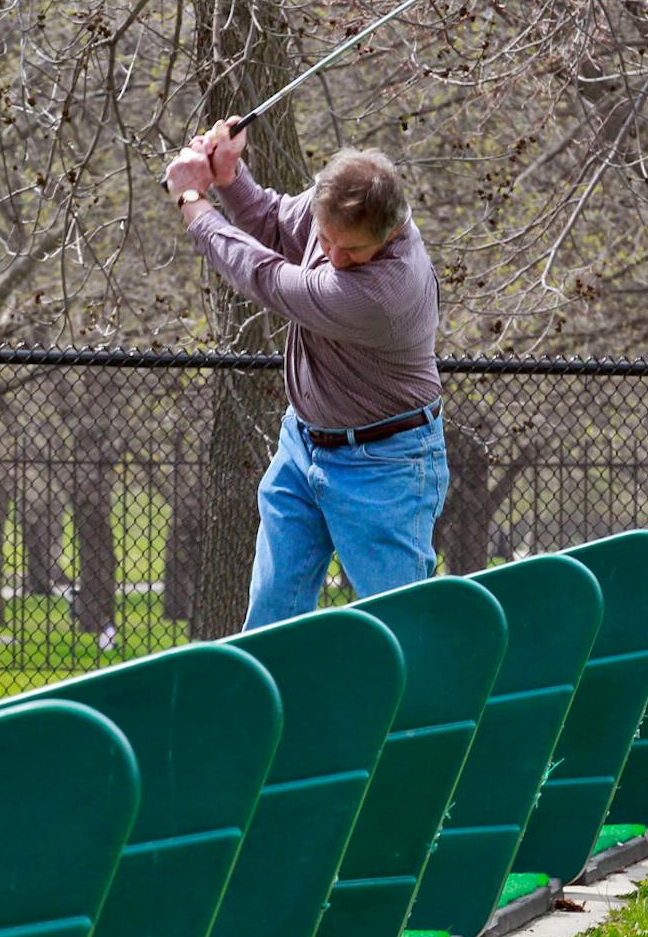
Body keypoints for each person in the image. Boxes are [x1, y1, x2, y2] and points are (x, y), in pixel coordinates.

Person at [165, 120, 448, 630]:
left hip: (386, 464)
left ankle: (432, 713)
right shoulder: (336, 212)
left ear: (393, 230)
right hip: (303, 445)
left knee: (401, 626)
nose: (335, 258)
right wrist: (230, 177)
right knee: (272, 618)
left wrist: (192, 200)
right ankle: (269, 710)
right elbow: (274, 222)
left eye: (353, 251)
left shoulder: (383, 294)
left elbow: (267, 277)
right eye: (328, 241)